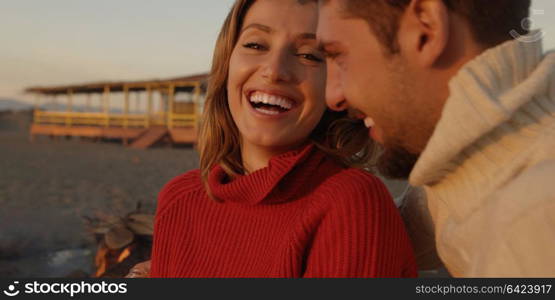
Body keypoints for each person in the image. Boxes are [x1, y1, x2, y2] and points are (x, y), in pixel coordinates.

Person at [143, 0, 417, 278]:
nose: (274, 70)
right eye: (256, 45)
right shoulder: (178, 198)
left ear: (338, 80)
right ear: (227, 63)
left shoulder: (350, 203)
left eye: (310, 55)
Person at [316, 0, 555, 277]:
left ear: (426, 29)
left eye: (339, 56)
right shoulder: (456, 183)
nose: (333, 97)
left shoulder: (534, 216)